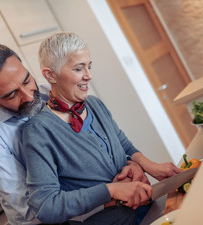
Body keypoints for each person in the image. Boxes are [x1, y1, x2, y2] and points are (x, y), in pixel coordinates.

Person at [0, 43, 149, 225]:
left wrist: (130, 165)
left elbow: (92, 149)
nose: (28, 96)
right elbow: (31, 208)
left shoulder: (46, 95)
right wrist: (108, 196)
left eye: (27, 80)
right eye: (11, 95)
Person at [21, 32, 182, 224]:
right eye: (79, 69)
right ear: (50, 75)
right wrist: (110, 190)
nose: (89, 76)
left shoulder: (95, 104)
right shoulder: (39, 130)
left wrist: (148, 166)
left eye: (89, 67)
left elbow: (122, 143)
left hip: (144, 208)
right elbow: (46, 206)